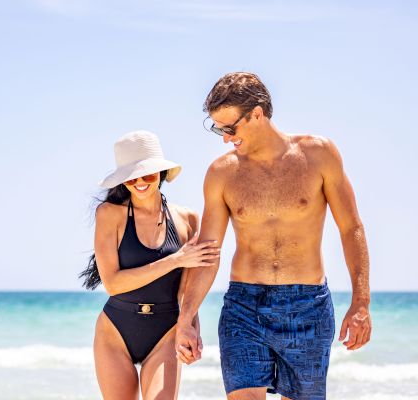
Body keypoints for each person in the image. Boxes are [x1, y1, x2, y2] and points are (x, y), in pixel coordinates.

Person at [174, 72, 372, 400]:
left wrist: (361, 302)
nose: (225, 138)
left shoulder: (318, 155)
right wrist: (186, 318)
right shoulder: (221, 173)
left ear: (257, 114)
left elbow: (351, 228)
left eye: (229, 128)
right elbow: (209, 250)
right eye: (218, 129)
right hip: (244, 305)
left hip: (307, 304)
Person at [80, 130, 220, 400]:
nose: (140, 182)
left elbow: (189, 288)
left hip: (166, 330)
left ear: (162, 174)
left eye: (148, 174)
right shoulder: (110, 215)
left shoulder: (187, 218)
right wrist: (176, 259)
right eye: (132, 176)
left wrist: (190, 328)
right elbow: (113, 283)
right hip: (115, 331)